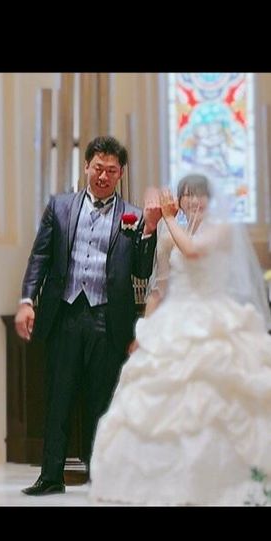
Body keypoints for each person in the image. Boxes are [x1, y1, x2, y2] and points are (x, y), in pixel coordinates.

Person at [89, 173, 271, 506]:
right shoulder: (172, 230)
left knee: (213, 398)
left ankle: (223, 481)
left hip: (212, 317)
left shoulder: (222, 228)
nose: (193, 201)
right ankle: (160, 483)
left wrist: (169, 218)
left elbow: (193, 251)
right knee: (155, 401)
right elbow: (160, 286)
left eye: (199, 195)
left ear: (210, 200)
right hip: (174, 318)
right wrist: (144, 330)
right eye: (187, 195)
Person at [15, 135, 160, 496]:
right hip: (64, 313)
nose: (103, 176)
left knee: (102, 402)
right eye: (98, 168)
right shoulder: (60, 206)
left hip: (108, 318)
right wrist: (27, 300)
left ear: (120, 173)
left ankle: (103, 477)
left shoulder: (132, 215)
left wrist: (149, 229)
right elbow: (40, 256)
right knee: (58, 397)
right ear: (86, 167)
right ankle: (51, 476)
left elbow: (142, 271)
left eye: (111, 170)